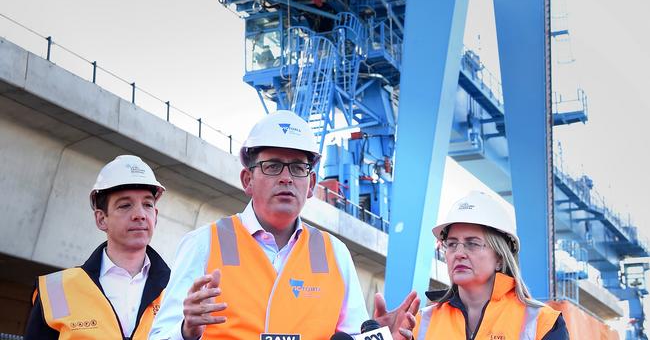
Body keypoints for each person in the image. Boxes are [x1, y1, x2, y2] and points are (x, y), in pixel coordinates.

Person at [150, 110, 419, 340]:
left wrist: (378, 336)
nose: (287, 178)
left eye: (298, 168)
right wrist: (186, 331)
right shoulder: (203, 244)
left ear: (311, 184)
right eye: (273, 166)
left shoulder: (335, 254)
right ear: (247, 180)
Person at [25, 155, 170, 339]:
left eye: (147, 204)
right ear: (101, 219)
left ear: (155, 216)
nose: (140, 215)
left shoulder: (177, 289)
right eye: (125, 205)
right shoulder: (57, 290)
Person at [412, 190, 569, 340]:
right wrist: (387, 334)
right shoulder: (421, 323)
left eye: (472, 243)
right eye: (452, 244)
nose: (459, 253)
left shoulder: (544, 324)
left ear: (500, 258)